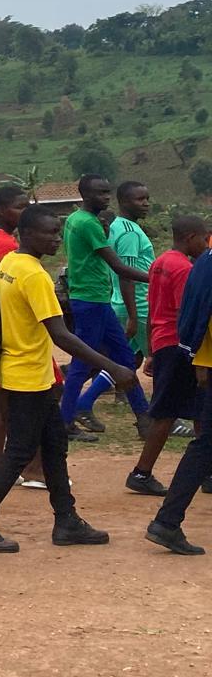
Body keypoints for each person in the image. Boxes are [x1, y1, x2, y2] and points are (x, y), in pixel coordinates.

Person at [0, 206, 134, 552]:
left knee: (55, 445)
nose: (56, 239)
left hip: (21, 369)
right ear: (26, 233)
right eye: (48, 233)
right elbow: (61, 335)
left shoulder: (9, 264)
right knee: (20, 451)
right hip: (27, 375)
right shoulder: (34, 275)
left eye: (58, 233)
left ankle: (66, 520)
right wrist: (112, 367)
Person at [59, 175, 153, 438]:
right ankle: (64, 422)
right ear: (85, 195)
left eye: (107, 193)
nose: (105, 198)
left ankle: (144, 418)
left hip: (97, 299)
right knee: (82, 361)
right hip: (90, 300)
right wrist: (159, 277)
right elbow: (119, 266)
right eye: (100, 193)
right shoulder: (87, 223)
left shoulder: (75, 220)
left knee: (124, 359)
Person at [129, 215, 208, 499]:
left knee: (201, 408)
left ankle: (206, 472)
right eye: (203, 239)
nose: (205, 244)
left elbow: (152, 309)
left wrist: (151, 350)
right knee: (166, 412)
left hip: (163, 341)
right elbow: (187, 313)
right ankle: (141, 472)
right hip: (179, 345)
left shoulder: (160, 262)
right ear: (190, 238)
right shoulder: (185, 268)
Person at [0, 186, 46, 489]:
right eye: (19, 207)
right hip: (13, 335)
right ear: (2, 210)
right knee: (36, 401)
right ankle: (33, 468)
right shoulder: (5, 246)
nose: (24, 211)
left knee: (3, 402)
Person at [147, 224, 212, 553]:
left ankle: (167, 521)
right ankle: (167, 521)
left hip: (199, 357)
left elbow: (194, 312)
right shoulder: (196, 262)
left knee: (205, 443)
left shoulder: (203, 261)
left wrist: (197, 356)